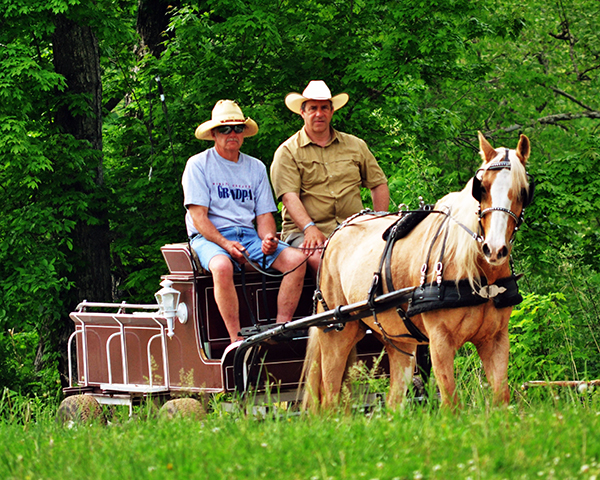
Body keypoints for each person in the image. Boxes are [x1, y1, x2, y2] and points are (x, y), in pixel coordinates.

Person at [182, 100, 306, 343]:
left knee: (297, 260)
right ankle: (236, 340)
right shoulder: (197, 165)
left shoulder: (256, 167)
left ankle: (281, 328)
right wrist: (226, 244)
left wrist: (269, 238)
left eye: (238, 128)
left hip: (249, 236)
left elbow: (264, 216)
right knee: (221, 266)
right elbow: (198, 218)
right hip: (210, 237)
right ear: (214, 134)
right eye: (225, 129)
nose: (232, 134)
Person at [270, 80, 390, 274]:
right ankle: (338, 304)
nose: (319, 114)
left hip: (353, 226)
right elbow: (288, 197)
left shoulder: (355, 145)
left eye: (324, 108)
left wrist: (379, 221)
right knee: (322, 258)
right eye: (313, 108)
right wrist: (309, 228)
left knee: (390, 255)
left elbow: (378, 184)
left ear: (332, 111)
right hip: (306, 232)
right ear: (303, 112)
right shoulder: (287, 151)